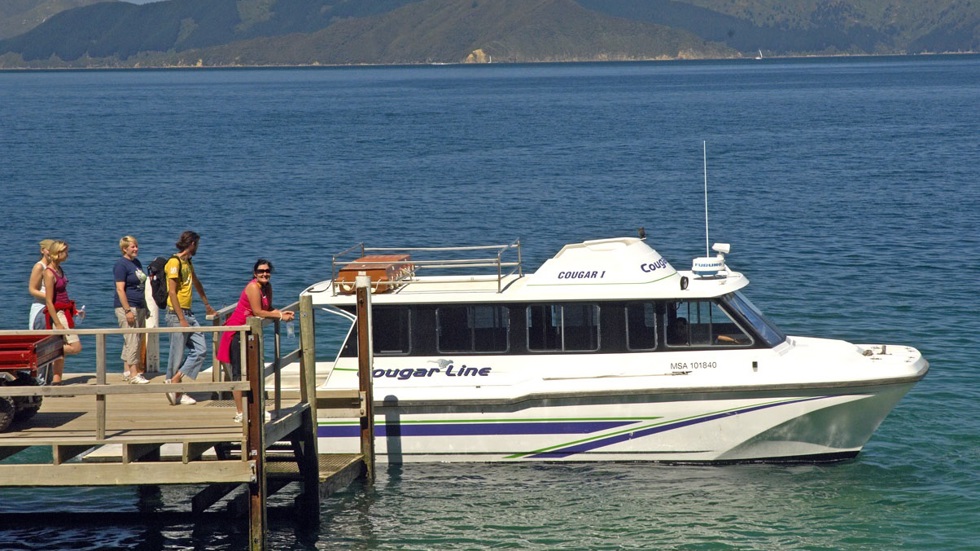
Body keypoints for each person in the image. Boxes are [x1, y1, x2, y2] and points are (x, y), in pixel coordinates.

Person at [217, 259, 294, 423]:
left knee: (253, 371)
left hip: (250, 333)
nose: (264, 274)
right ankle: (240, 412)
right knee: (239, 374)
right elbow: (258, 311)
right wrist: (280, 316)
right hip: (236, 333)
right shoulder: (253, 287)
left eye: (267, 271)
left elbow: (267, 309)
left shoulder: (267, 287)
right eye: (260, 271)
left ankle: (255, 408)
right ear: (255, 273)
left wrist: (281, 312)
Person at [164, 231, 216, 406]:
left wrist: (206, 304)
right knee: (177, 354)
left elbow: (196, 282)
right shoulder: (174, 262)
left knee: (200, 350)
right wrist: (181, 319)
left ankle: (175, 380)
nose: (198, 247)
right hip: (176, 314)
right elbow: (172, 291)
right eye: (197, 244)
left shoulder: (187, 262)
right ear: (192, 243)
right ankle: (176, 391)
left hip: (189, 313)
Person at [43, 240, 83, 384]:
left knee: (61, 354)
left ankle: (57, 381)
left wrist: (74, 310)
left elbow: (63, 294)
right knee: (75, 347)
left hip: (65, 310)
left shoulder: (59, 269)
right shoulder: (48, 273)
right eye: (65, 251)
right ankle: (47, 350)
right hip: (58, 313)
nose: (67, 254)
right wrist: (58, 323)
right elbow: (49, 301)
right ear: (58, 253)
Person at [113, 236, 150, 384]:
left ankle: (127, 370)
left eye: (136, 246)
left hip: (139, 305)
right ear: (124, 249)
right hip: (128, 306)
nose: (136, 249)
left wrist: (145, 306)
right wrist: (127, 310)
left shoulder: (136, 263)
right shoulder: (121, 265)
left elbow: (140, 286)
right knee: (132, 339)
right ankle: (134, 374)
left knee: (133, 339)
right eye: (132, 247)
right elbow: (120, 289)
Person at [28, 239, 55, 329]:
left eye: (53, 250)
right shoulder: (39, 266)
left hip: (53, 307)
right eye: (49, 250)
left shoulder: (53, 267)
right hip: (41, 309)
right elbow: (32, 290)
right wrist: (49, 297)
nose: (51, 253)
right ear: (42, 250)